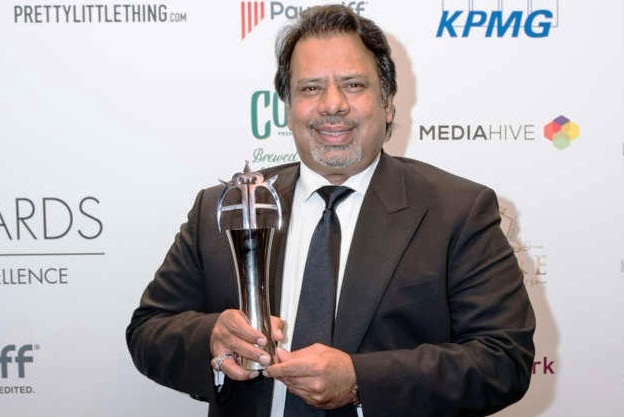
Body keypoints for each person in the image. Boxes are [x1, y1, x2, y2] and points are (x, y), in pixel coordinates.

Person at [126, 4, 535, 417]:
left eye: (353, 85)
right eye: (310, 88)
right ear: (287, 107)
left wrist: (361, 380)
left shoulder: (458, 211)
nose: (332, 104)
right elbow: (148, 331)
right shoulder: (227, 208)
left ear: (387, 103)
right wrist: (211, 339)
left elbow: (503, 360)